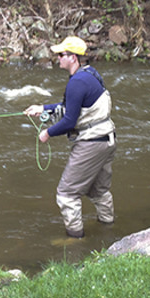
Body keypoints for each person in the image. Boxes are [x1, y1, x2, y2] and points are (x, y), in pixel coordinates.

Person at [24, 36, 116, 238]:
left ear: (73, 58)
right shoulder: (89, 74)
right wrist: (43, 108)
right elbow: (73, 108)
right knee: (99, 191)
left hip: (91, 144)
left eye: (61, 55)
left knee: (66, 194)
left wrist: (47, 133)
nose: (57, 58)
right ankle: (109, 232)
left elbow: (69, 121)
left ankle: (75, 241)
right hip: (107, 140)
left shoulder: (76, 83)